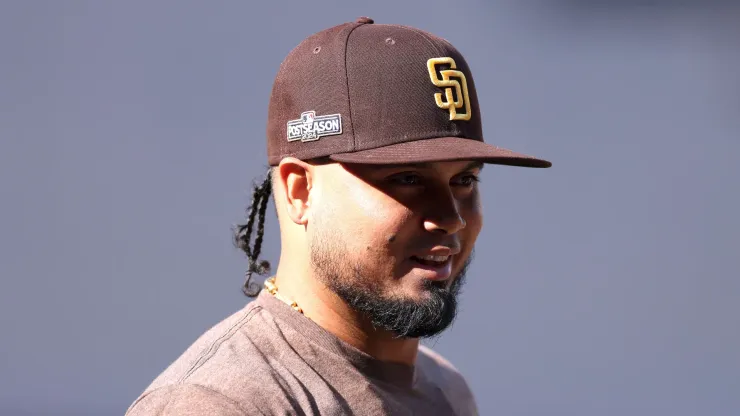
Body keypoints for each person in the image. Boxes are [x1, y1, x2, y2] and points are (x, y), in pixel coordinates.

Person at [126, 16, 551, 416]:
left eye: (465, 180)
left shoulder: (446, 389)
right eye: (407, 178)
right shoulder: (223, 401)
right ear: (300, 191)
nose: (450, 217)